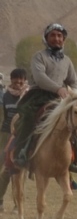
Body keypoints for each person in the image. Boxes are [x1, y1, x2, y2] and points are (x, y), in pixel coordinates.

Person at [12, 25, 77, 171]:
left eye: (59, 36)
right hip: (38, 96)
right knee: (28, 118)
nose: (56, 38)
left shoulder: (67, 61)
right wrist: (58, 88)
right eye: (53, 35)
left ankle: (73, 158)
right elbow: (40, 78)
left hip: (59, 98)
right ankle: (21, 153)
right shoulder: (39, 57)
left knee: (76, 120)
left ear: (63, 39)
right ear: (46, 38)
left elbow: (73, 82)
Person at [0, 68, 28, 210]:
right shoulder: (5, 96)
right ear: (11, 81)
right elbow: (3, 116)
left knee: (19, 170)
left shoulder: (28, 96)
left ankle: (18, 204)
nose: (18, 84)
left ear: (25, 81)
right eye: (15, 81)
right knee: (4, 168)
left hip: (22, 136)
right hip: (6, 135)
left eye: (21, 81)